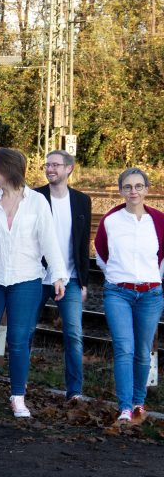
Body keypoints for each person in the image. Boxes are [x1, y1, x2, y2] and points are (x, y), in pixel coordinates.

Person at [0, 148, 68, 418]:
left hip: (26, 279)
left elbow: (49, 240)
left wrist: (57, 275)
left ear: (8, 170)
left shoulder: (37, 203)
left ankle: (18, 396)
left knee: (19, 340)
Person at [95, 168, 164, 424]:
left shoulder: (158, 220)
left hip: (150, 295)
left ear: (147, 189)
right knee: (124, 348)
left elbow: (162, 256)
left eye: (138, 186)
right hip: (118, 293)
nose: (133, 191)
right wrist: (117, 274)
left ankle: (138, 401)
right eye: (127, 187)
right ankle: (124, 406)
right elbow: (101, 253)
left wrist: (151, 277)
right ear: (120, 190)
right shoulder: (111, 220)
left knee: (142, 351)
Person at [34, 150, 91, 400]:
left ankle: (74, 391)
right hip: (37, 276)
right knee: (24, 331)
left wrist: (84, 281)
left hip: (70, 278)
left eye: (55, 165)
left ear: (69, 168)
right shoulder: (35, 197)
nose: (50, 169)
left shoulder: (81, 200)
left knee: (74, 334)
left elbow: (81, 244)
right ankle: (19, 387)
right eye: (47, 165)